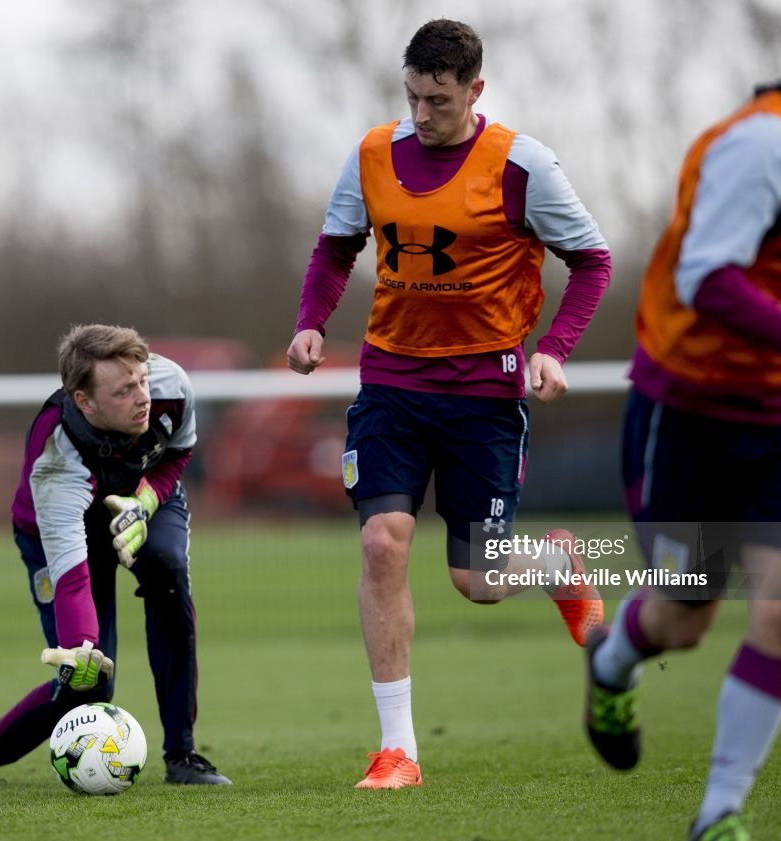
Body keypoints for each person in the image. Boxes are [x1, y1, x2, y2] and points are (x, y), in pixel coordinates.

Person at [287, 19, 611, 789]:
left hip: (483, 397)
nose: (422, 114)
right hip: (393, 384)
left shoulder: (521, 164)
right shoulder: (372, 154)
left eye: (438, 99)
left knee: (480, 578)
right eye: (412, 97)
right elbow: (337, 246)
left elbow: (592, 261)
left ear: (475, 90)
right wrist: (310, 323)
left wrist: (552, 350)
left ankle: (559, 564)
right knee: (382, 544)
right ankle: (399, 749)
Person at [583, 2, 781, 838]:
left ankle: (719, 813)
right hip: (693, 415)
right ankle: (610, 664)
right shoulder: (765, 142)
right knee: (686, 612)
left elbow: (769, 260)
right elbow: (707, 281)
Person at [0, 324, 231, 786]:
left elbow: (178, 453)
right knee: (88, 681)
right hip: (57, 531)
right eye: (124, 391)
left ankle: (182, 755)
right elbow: (72, 579)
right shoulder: (55, 458)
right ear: (85, 402)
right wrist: (82, 647)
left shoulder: (171, 385)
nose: (142, 395)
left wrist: (145, 503)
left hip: (138, 499)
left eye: (141, 380)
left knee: (168, 571)